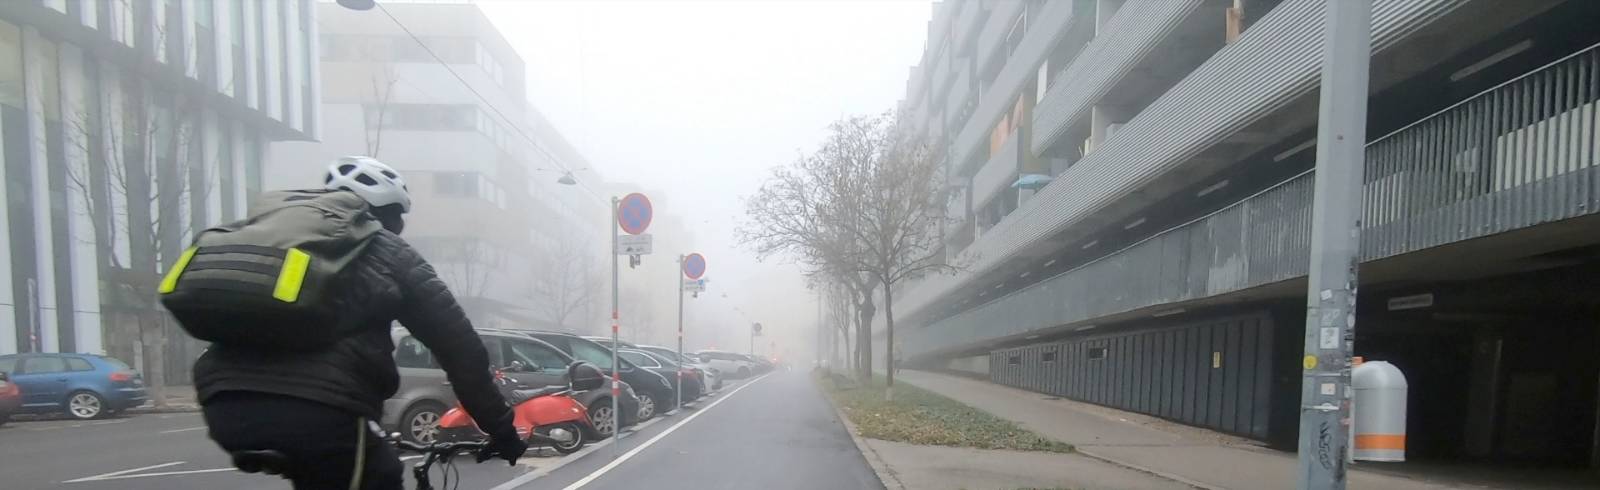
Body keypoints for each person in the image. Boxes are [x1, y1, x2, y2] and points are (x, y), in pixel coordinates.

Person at [193, 156, 527, 489]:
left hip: (223, 404)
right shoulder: (389, 252)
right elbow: (461, 350)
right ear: (387, 214)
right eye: (398, 216)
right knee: (380, 474)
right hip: (321, 412)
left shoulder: (270, 238)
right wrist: (501, 430)